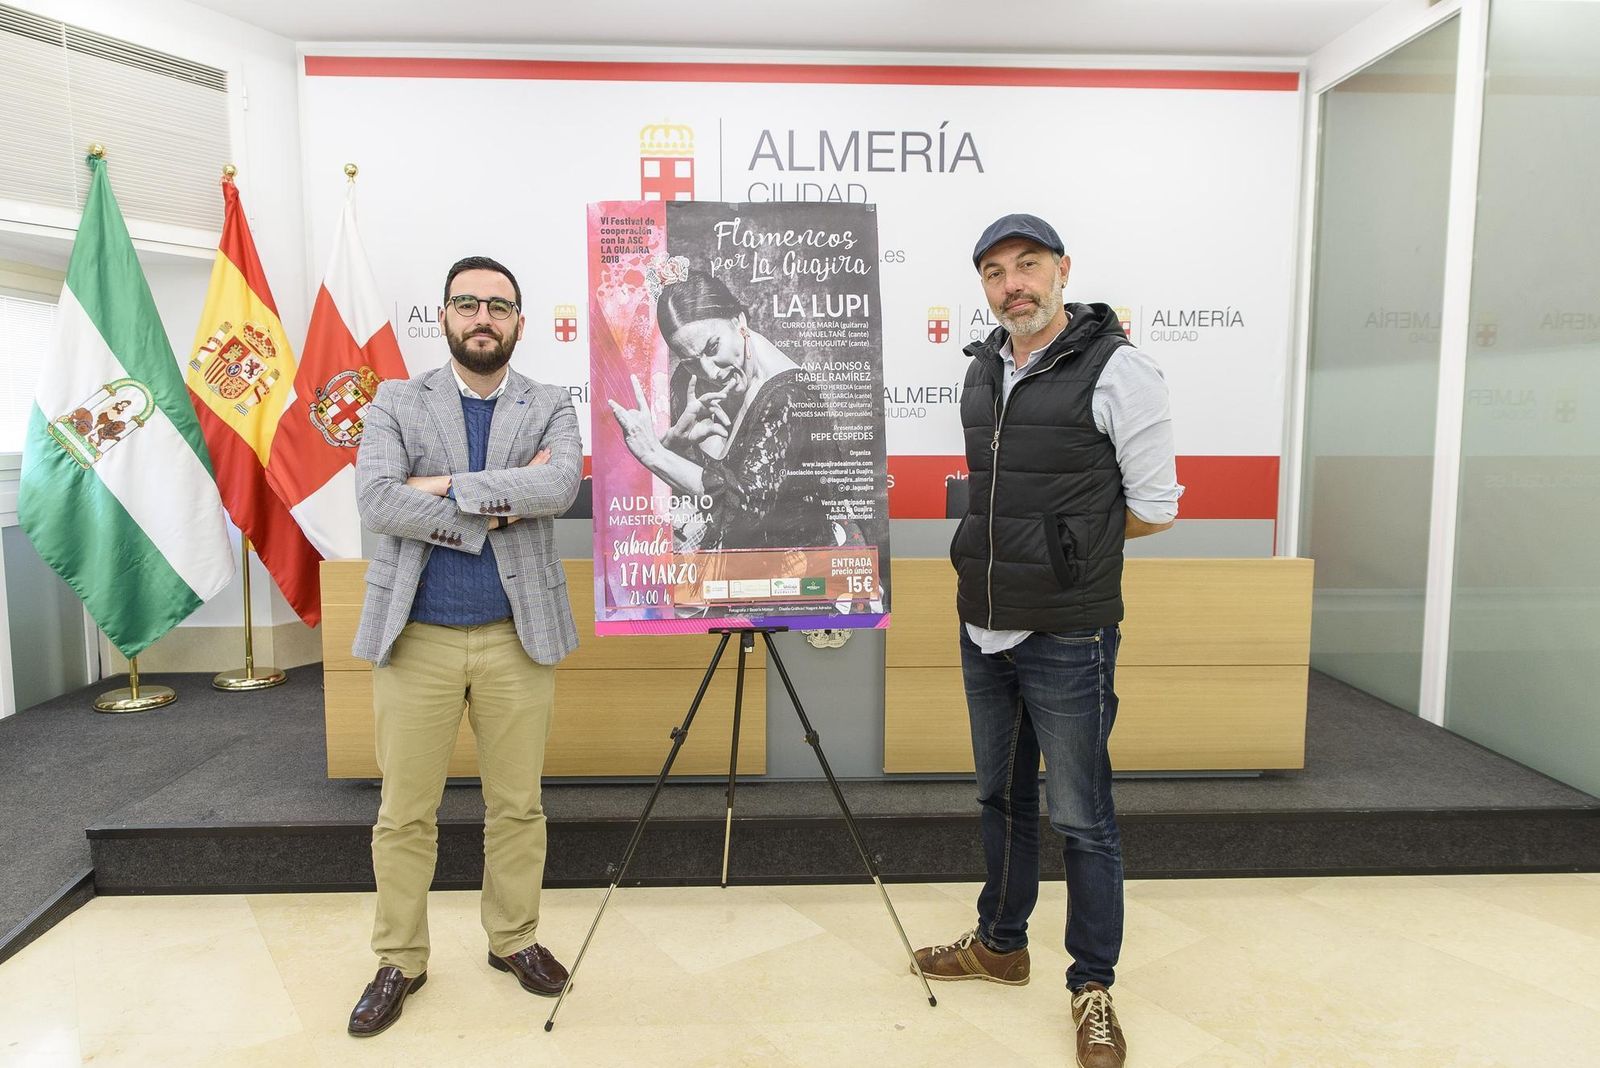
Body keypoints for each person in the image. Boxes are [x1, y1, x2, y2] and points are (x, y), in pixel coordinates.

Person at [914, 214, 1181, 1068]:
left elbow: (1153, 506)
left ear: (1063, 270)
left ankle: (1092, 988)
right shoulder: (983, 367)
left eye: (1027, 266)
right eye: (994, 272)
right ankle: (1000, 943)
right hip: (983, 624)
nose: (1011, 285)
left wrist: (1065, 558)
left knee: (1082, 816)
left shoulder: (1120, 370)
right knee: (1001, 798)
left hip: (1068, 632)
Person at [346, 255, 583, 1038]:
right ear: (444, 317)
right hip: (416, 640)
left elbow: (560, 488)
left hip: (519, 641)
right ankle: (400, 959)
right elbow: (378, 500)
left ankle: (513, 939)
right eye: (468, 303)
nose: (483, 316)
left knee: (517, 805)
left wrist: (441, 486)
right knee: (404, 813)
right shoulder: (394, 400)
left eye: (499, 305)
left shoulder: (550, 403)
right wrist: (500, 492)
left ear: (519, 320)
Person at [606, 271, 842, 552]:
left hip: (793, 581)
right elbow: (678, 500)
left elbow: (745, 509)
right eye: (691, 360)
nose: (709, 371)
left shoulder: (788, 399)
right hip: (721, 574)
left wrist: (655, 454)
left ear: (738, 321)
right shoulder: (690, 380)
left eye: (713, 347)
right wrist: (675, 445)